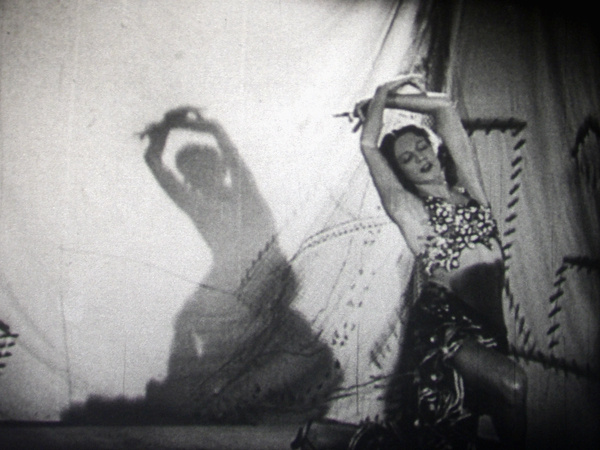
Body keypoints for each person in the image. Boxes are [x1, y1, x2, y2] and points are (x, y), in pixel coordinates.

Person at [353, 76, 527, 449]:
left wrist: (394, 98)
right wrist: (380, 95)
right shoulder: (411, 211)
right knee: (512, 384)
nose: (421, 158)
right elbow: (368, 144)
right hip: (446, 330)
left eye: (422, 147)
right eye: (407, 159)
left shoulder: (473, 193)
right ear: (400, 173)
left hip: (492, 332)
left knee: (495, 419)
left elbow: (444, 107)